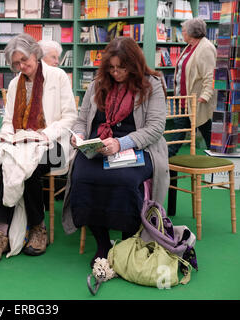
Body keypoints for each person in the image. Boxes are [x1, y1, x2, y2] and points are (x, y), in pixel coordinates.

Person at [62, 37, 170, 267]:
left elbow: (155, 128)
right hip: (98, 148)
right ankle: (102, 243)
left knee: (125, 181)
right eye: (111, 68)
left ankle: (127, 242)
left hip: (138, 148)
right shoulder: (98, 84)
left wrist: (122, 143)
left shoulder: (152, 85)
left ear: (134, 64)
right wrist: (79, 136)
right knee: (82, 177)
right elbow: (81, 120)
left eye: (122, 68)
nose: (116, 73)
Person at [0, 33, 77, 264]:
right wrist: (8, 136)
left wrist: (44, 134)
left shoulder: (58, 76)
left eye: (24, 60)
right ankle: (2, 233)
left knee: (28, 166)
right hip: (22, 143)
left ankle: (35, 228)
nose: (22, 66)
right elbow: (7, 120)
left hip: (54, 144)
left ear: (35, 53)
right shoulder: (15, 84)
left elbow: (70, 117)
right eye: (16, 64)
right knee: (8, 161)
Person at [168, 18, 217, 157]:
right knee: (179, 133)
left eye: (183, 30)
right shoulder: (189, 46)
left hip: (197, 102)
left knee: (207, 133)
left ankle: (220, 163)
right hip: (183, 100)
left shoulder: (206, 48)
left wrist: (205, 96)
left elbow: (210, 75)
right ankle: (167, 163)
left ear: (191, 32)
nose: (182, 33)